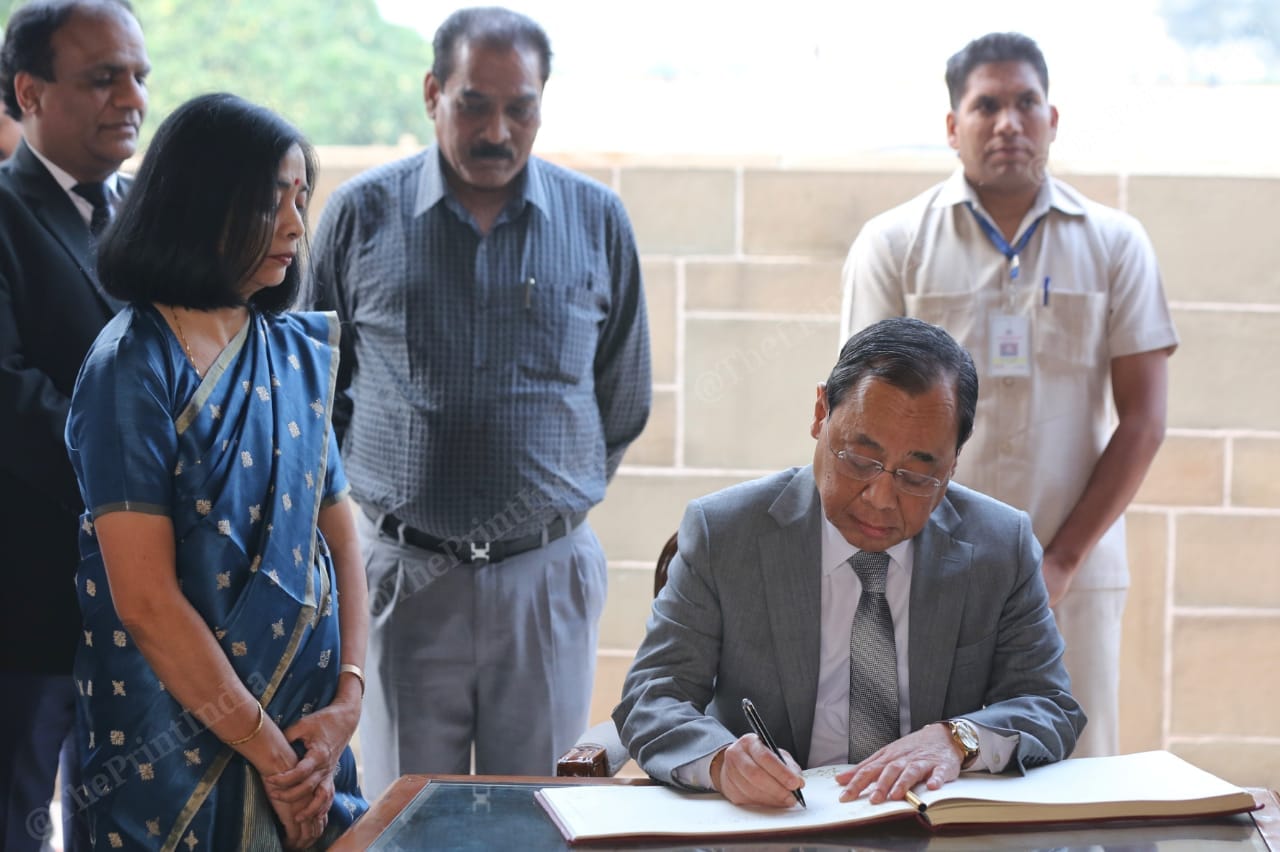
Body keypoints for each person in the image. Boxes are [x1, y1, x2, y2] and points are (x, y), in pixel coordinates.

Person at [307, 6, 651, 793]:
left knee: (541, 815)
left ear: (541, 103)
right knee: (401, 812)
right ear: (433, 93)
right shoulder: (359, 215)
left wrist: (541, 499)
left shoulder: (597, 220)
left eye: (519, 107)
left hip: (545, 580)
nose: (498, 129)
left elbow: (622, 395)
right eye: (474, 103)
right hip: (401, 576)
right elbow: (318, 393)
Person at [840, 32, 1176, 758]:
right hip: (926, 571)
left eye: (1026, 103)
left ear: (1052, 120)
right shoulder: (894, 242)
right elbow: (863, 426)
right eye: (985, 105)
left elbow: (1144, 420)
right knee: (925, 770)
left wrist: (1058, 563)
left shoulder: (1116, 243)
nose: (1008, 122)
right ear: (952, 127)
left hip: (1074, 576)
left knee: (1071, 775)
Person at [615, 317, 1084, 809]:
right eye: (860, 461)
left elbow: (1049, 706)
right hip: (775, 830)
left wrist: (959, 738)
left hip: (930, 829)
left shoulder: (999, 545)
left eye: (917, 475)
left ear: (954, 463)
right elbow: (652, 696)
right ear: (821, 413)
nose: (881, 498)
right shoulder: (726, 533)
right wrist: (721, 761)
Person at [64, 92, 368, 850]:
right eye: (272, 203)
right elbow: (146, 602)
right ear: (202, 205)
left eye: (301, 198)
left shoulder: (292, 350)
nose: (298, 227)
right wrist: (273, 757)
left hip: (310, 736)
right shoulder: (131, 366)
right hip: (172, 750)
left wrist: (347, 706)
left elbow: (341, 541)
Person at [0, 2, 147, 849]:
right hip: (29, 604)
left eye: (139, 75)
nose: (130, 96)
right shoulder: (6, 213)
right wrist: (138, 475)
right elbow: (10, 396)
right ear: (30, 91)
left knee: (121, 823)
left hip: (141, 607)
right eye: (102, 78)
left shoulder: (144, 218)